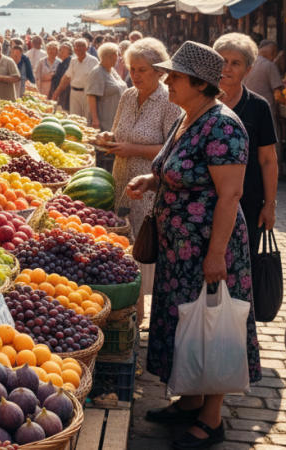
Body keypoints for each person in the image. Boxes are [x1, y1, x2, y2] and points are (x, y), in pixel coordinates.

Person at [127, 41, 260, 450]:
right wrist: (150, 181)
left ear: (200, 84)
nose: (168, 81)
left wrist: (217, 253)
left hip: (207, 247)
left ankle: (212, 417)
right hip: (177, 248)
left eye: (175, 76)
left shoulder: (224, 125)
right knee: (185, 321)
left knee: (211, 326)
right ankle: (190, 401)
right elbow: (176, 170)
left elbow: (230, 194)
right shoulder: (187, 118)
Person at [93, 38, 181, 326]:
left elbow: (173, 148)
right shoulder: (128, 96)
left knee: (144, 247)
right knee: (124, 245)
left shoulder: (170, 100)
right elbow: (118, 133)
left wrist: (134, 150)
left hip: (149, 185)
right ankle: (132, 312)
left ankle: (144, 315)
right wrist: (107, 139)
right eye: (132, 68)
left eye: (143, 69)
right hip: (122, 181)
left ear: (159, 71)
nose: (136, 74)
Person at [214, 33, 279, 268]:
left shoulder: (258, 106)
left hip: (246, 205)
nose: (227, 68)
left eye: (235, 63)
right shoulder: (200, 101)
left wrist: (269, 205)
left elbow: (268, 160)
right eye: (222, 61)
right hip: (202, 202)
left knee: (241, 267)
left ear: (248, 70)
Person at [51, 39, 99, 120]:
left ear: (86, 48)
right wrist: (57, 91)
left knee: (87, 119)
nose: (78, 49)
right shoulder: (73, 61)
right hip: (74, 94)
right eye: (76, 46)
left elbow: (98, 79)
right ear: (74, 49)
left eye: (81, 46)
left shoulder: (93, 61)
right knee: (74, 118)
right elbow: (66, 77)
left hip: (87, 95)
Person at [87, 43, 127, 131]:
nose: (116, 58)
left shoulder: (112, 70)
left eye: (116, 55)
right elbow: (91, 96)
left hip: (115, 117)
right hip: (104, 119)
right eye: (113, 56)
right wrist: (95, 120)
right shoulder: (97, 72)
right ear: (106, 57)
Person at [49, 42, 72, 112]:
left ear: (68, 52)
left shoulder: (68, 62)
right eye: (60, 50)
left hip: (65, 92)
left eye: (62, 50)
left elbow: (65, 78)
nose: (59, 52)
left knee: (64, 110)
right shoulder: (63, 62)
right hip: (62, 92)